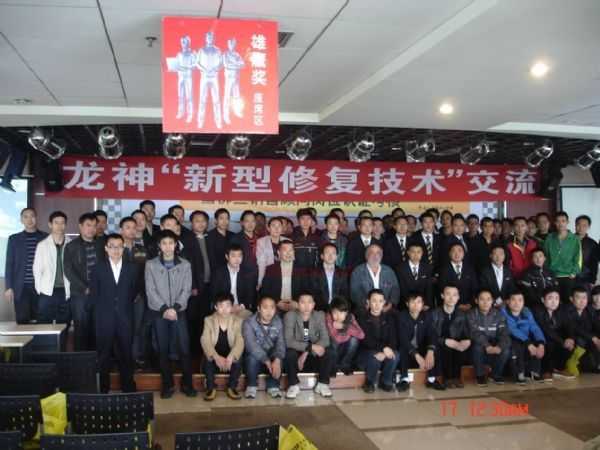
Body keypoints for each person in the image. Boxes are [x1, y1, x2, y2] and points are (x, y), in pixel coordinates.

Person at [145, 230, 196, 399]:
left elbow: (186, 289)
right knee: (163, 349)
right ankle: (167, 385)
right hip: (159, 313)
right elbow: (150, 290)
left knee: (184, 349)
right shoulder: (151, 265)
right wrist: (164, 309)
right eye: (164, 243)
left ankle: (187, 384)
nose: (168, 247)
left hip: (179, 312)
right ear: (159, 246)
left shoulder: (185, 265)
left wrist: (175, 308)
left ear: (176, 245)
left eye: (171, 243)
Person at [90, 233, 137, 393]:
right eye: (112, 247)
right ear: (106, 248)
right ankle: (103, 389)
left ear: (124, 248)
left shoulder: (132, 268)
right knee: (103, 355)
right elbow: (94, 295)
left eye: (119, 247)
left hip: (125, 318)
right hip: (104, 319)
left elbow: (134, 292)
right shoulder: (98, 268)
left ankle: (128, 388)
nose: (116, 250)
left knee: (126, 354)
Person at [64, 212, 102, 351]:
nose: (91, 229)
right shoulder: (71, 246)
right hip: (80, 295)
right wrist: (84, 288)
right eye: (88, 225)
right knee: (81, 329)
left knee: (97, 329)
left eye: (94, 226)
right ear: (80, 226)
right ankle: (81, 361)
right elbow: (68, 271)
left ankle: (96, 360)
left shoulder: (102, 245)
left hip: (99, 294)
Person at [284, 292, 333, 399]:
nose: (306, 306)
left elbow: (325, 339)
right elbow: (289, 341)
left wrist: (307, 351)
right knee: (289, 353)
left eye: (309, 302)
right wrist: (310, 347)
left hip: (312, 354)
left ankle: (322, 384)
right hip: (297, 353)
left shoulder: (319, 315)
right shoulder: (290, 316)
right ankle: (293, 385)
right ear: (297, 304)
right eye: (303, 302)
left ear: (314, 304)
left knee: (328, 350)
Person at [4, 207, 47, 324]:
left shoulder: (46, 237)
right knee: (22, 320)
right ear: (21, 220)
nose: (29, 219)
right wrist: (8, 287)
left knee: (41, 321)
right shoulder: (14, 239)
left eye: (32, 216)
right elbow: (9, 264)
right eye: (26, 217)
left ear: (36, 218)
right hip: (21, 287)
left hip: (41, 286)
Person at [396, 293, 445, 391]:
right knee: (402, 349)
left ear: (422, 305)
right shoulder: (401, 316)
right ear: (407, 304)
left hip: (421, 346)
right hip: (408, 348)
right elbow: (403, 339)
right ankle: (404, 379)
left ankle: (431, 379)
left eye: (418, 302)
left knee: (434, 348)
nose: (415, 305)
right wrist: (416, 355)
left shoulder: (427, 316)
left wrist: (430, 352)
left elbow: (432, 334)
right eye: (412, 302)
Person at [201, 293, 244, 401]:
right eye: (221, 306)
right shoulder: (208, 320)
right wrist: (216, 357)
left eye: (228, 306)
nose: (224, 309)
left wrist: (231, 356)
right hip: (215, 356)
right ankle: (211, 387)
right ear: (216, 307)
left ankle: (232, 387)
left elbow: (240, 341)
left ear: (232, 307)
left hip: (229, 357)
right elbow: (205, 340)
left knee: (238, 358)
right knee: (208, 357)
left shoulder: (238, 320)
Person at [33, 211, 71, 328]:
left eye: (62, 223)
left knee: (64, 324)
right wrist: (40, 290)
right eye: (56, 223)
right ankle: (44, 341)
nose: (60, 226)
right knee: (44, 324)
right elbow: (37, 270)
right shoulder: (42, 245)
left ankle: (62, 341)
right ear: (50, 224)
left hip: (66, 291)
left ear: (65, 225)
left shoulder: (71, 244)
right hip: (47, 291)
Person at [242, 296, 285, 399]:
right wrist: (265, 360)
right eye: (265, 307)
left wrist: (277, 359)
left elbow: (281, 343)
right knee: (251, 358)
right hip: (257, 355)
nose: (269, 311)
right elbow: (251, 345)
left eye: (272, 307)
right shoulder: (249, 322)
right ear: (258, 309)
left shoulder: (278, 321)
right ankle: (251, 385)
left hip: (271, 353)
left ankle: (273, 386)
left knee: (279, 357)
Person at [356, 289, 399, 393]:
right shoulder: (361, 318)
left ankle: (385, 381)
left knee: (396, 355)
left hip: (383, 352)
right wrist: (383, 348)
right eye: (374, 301)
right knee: (375, 357)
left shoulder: (389, 319)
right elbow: (366, 340)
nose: (377, 304)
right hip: (365, 354)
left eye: (380, 301)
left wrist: (385, 352)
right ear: (368, 302)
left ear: (384, 303)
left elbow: (393, 340)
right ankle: (369, 382)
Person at [467, 289, 511, 386]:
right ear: (476, 301)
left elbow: (504, 334)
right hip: (480, 347)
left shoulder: (499, 314)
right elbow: (474, 333)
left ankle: (495, 375)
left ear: (492, 301)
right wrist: (487, 346)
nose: (485, 302)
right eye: (482, 299)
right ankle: (480, 375)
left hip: (494, 346)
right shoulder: (471, 314)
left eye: (488, 299)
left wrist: (499, 346)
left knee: (506, 349)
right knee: (477, 346)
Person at [430, 284, 471, 388]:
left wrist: (467, 341)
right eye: (448, 294)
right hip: (441, 343)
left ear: (458, 297)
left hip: (456, 343)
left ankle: (456, 378)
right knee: (446, 348)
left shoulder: (462, 314)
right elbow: (431, 336)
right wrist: (445, 341)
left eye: (454, 295)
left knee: (460, 348)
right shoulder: (434, 313)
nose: (451, 298)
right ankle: (447, 378)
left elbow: (467, 333)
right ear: (442, 296)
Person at [501, 291, 546, 384]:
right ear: (508, 301)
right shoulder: (503, 311)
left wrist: (541, 343)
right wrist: (528, 343)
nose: (517, 303)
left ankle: (534, 371)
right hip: (509, 338)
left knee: (537, 343)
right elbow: (512, 329)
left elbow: (534, 327)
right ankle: (519, 372)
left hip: (525, 339)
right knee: (517, 345)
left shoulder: (526, 311)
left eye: (520, 300)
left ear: (524, 302)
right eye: (513, 300)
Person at [532, 287, 577, 379]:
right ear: (543, 299)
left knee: (571, 344)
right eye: (550, 298)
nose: (554, 301)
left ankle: (558, 369)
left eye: (557, 298)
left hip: (556, 337)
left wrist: (570, 338)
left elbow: (568, 325)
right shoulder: (537, 311)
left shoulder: (561, 310)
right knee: (549, 344)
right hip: (540, 337)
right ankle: (545, 371)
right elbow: (545, 329)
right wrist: (562, 341)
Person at [260, 241, 309, 313]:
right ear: (279, 253)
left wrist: (297, 303)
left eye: (290, 250)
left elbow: (306, 290)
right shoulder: (271, 269)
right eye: (285, 250)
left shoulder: (302, 270)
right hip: (275, 307)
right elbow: (265, 290)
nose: (288, 253)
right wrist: (277, 302)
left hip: (296, 307)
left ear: (294, 252)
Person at [543, 212, 582, 303]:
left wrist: (574, 272)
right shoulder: (549, 238)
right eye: (558, 221)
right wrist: (547, 272)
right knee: (553, 303)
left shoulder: (575, 239)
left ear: (567, 222)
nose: (560, 224)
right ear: (554, 223)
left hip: (568, 276)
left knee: (568, 302)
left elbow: (578, 257)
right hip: (553, 276)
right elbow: (545, 256)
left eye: (563, 221)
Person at [210, 244, 257, 317]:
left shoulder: (247, 272)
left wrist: (241, 306)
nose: (237, 259)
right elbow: (215, 294)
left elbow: (250, 294)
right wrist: (228, 307)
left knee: (248, 319)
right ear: (227, 257)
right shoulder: (218, 273)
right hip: (223, 308)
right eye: (233, 256)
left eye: (239, 256)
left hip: (241, 308)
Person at [350, 244, 400, 312]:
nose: (375, 256)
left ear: (381, 256)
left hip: (386, 308)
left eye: (378, 253)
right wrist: (367, 305)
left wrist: (390, 305)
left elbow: (395, 289)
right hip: (365, 309)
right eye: (372, 253)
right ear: (366, 255)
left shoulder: (389, 271)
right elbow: (355, 292)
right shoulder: (357, 271)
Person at [564, 287, 600, 374]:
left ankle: (593, 365)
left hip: (587, 337)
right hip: (570, 336)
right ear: (571, 299)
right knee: (581, 340)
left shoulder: (590, 310)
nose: (582, 301)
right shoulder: (566, 310)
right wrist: (593, 338)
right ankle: (572, 361)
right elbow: (574, 328)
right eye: (578, 297)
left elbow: (597, 325)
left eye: (584, 298)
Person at [326, 296, 364, 375]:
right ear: (331, 312)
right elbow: (336, 339)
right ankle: (334, 366)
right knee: (332, 342)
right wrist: (350, 333)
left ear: (346, 313)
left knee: (354, 340)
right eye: (335, 312)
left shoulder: (350, 317)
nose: (338, 316)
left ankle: (344, 365)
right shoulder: (328, 317)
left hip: (346, 348)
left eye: (341, 312)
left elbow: (361, 335)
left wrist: (344, 326)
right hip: (334, 350)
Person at [438, 243, 478, 311]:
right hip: (450, 307)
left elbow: (475, 288)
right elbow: (442, 290)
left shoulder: (470, 269)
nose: (457, 254)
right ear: (449, 253)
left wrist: (470, 304)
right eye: (453, 251)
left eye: (459, 250)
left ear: (464, 253)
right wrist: (457, 305)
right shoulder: (443, 270)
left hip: (469, 307)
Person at [310, 243, 349, 311]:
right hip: (319, 308)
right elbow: (314, 293)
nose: (330, 256)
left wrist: (337, 307)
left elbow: (344, 293)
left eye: (333, 253)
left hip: (338, 308)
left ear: (336, 256)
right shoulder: (314, 272)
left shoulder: (342, 273)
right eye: (327, 253)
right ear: (322, 256)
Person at [396, 243, 434, 308]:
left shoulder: (428, 268)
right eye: (413, 252)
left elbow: (429, 288)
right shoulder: (400, 268)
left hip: (423, 304)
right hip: (406, 304)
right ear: (408, 253)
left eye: (418, 252)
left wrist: (426, 303)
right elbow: (402, 289)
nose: (416, 255)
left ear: (422, 253)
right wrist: (410, 304)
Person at [256, 217, 291, 287]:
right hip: (268, 276)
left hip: (284, 275)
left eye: (279, 226)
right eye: (273, 226)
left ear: (282, 228)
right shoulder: (261, 242)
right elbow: (261, 263)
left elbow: (291, 260)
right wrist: (260, 281)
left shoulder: (288, 241)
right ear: (268, 228)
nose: (276, 228)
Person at [230, 210, 259, 277]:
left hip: (258, 275)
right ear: (242, 223)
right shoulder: (236, 239)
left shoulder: (259, 238)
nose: (250, 224)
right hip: (241, 275)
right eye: (247, 221)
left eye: (253, 221)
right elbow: (232, 259)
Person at [575, 215, 599, 286]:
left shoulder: (592, 243)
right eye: (578, 225)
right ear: (575, 225)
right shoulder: (568, 240)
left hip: (586, 278)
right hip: (569, 276)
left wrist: (592, 280)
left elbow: (594, 263)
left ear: (588, 227)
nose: (581, 228)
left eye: (584, 225)